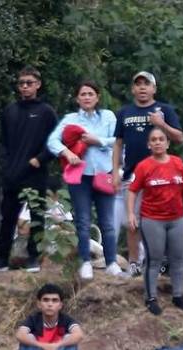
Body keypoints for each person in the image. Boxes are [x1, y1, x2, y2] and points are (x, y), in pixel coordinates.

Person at [0, 67, 56, 275]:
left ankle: (34, 257)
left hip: (35, 174)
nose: (25, 86)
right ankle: (1, 259)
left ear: (38, 85)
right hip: (11, 175)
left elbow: (55, 143)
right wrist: (4, 165)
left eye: (29, 83)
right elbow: (2, 142)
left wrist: (39, 160)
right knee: (7, 218)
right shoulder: (9, 111)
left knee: (37, 217)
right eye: (22, 83)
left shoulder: (46, 112)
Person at [47, 80, 122, 281]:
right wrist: (67, 152)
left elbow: (119, 139)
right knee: (82, 220)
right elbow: (52, 141)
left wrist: (98, 141)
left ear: (97, 97)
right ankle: (85, 262)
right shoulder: (70, 119)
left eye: (91, 94)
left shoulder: (108, 116)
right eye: (83, 94)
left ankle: (112, 262)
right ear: (77, 98)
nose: (87, 97)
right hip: (80, 176)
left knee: (107, 221)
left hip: (104, 173)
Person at [112, 71, 183, 276]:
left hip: (160, 176)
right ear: (133, 89)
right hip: (132, 175)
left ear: (154, 88)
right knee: (131, 222)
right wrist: (115, 172)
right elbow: (118, 143)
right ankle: (134, 263)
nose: (142, 88)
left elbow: (179, 138)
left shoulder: (165, 110)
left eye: (147, 84)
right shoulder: (124, 112)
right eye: (138, 84)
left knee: (158, 220)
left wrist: (161, 124)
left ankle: (158, 263)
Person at [126, 124, 183, 315]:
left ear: (168, 143)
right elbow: (132, 191)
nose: (158, 143)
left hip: (177, 218)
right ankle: (150, 297)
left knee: (178, 259)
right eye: (153, 140)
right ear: (149, 145)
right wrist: (131, 214)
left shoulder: (177, 163)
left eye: (161, 139)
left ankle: (178, 295)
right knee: (155, 259)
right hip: (153, 219)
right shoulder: (144, 166)